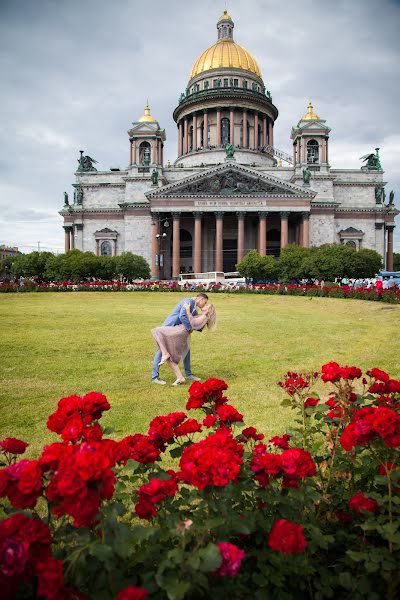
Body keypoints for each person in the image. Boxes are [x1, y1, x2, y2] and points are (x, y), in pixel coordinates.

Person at [152, 302, 217, 385]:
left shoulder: (204, 317)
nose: (205, 305)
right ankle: (180, 377)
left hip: (181, 331)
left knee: (158, 331)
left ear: (209, 310)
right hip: (181, 330)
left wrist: (187, 310)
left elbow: (192, 323)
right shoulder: (203, 316)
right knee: (160, 335)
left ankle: (166, 356)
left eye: (206, 305)